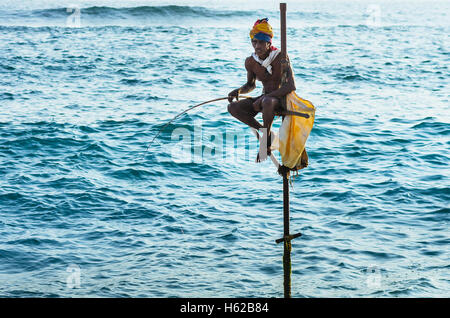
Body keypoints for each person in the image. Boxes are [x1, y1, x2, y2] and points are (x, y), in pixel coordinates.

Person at [227, 18, 296, 162]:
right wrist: (238, 91)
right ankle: (267, 134)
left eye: (261, 42)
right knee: (232, 107)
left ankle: (265, 143)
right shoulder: (250, 62)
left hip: (279, 100)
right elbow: (251, 85)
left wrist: (265, 98)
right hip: (264, 99)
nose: (257, 46)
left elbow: (290, 86)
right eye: (254, 42)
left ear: (269, 43)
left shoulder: (281, 58)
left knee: (268, 101)